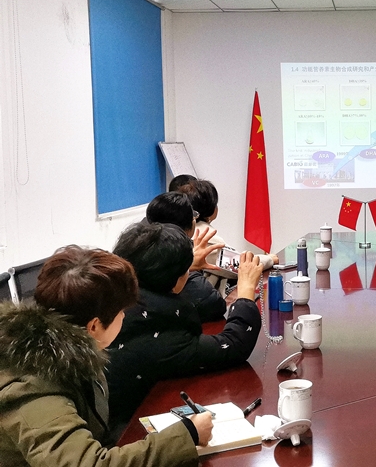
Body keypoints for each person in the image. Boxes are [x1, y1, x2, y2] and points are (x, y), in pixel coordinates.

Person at [0, 246, 213, 466]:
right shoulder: (32, 388)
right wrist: (187, 435)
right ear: (94, 326)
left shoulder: (69, 352)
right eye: (121, 311)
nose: (124, 316)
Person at [106, 222, 263, 439]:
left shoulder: (114, 298)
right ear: (175, 279)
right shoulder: (159, 330)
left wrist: (185, 269)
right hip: (125, 434)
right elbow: (233, 345)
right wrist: (245, 290)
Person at [146, 192, 226, 322]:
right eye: (193, 215)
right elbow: (215, 304)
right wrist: (187, 265)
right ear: (188, 226)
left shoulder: (133, 250)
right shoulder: (187, 268)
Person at [178, 179, 279, 271]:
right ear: (212, 209)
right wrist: (269, 259)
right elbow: (238, 266)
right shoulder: (206, 237)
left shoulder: (176, 229)